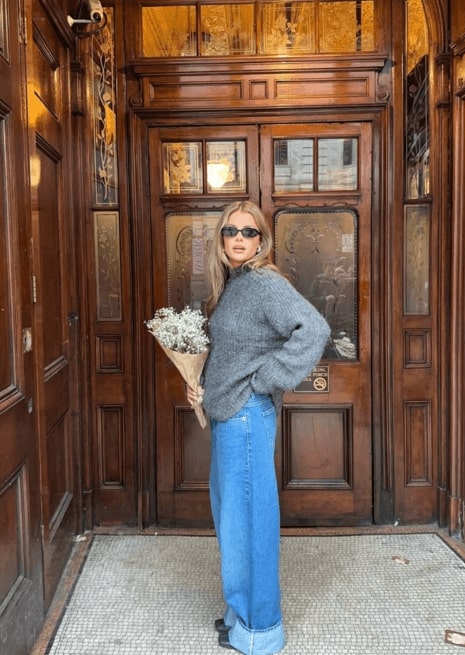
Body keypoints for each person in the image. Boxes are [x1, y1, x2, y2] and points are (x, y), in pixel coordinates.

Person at [187, 200, 330, 655]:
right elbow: (235, 352)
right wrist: (202, 386)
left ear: (261, 241)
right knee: (232, 519)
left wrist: (266, 379)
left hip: (246, 417)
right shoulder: (234, 284)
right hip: (228, 416)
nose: (239, 239)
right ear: (221, 238)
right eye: (231, 231)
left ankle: (259, 631)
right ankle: (240, 611)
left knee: (249, 522)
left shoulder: (265, 283)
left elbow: (314, 329)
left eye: (249, 232)